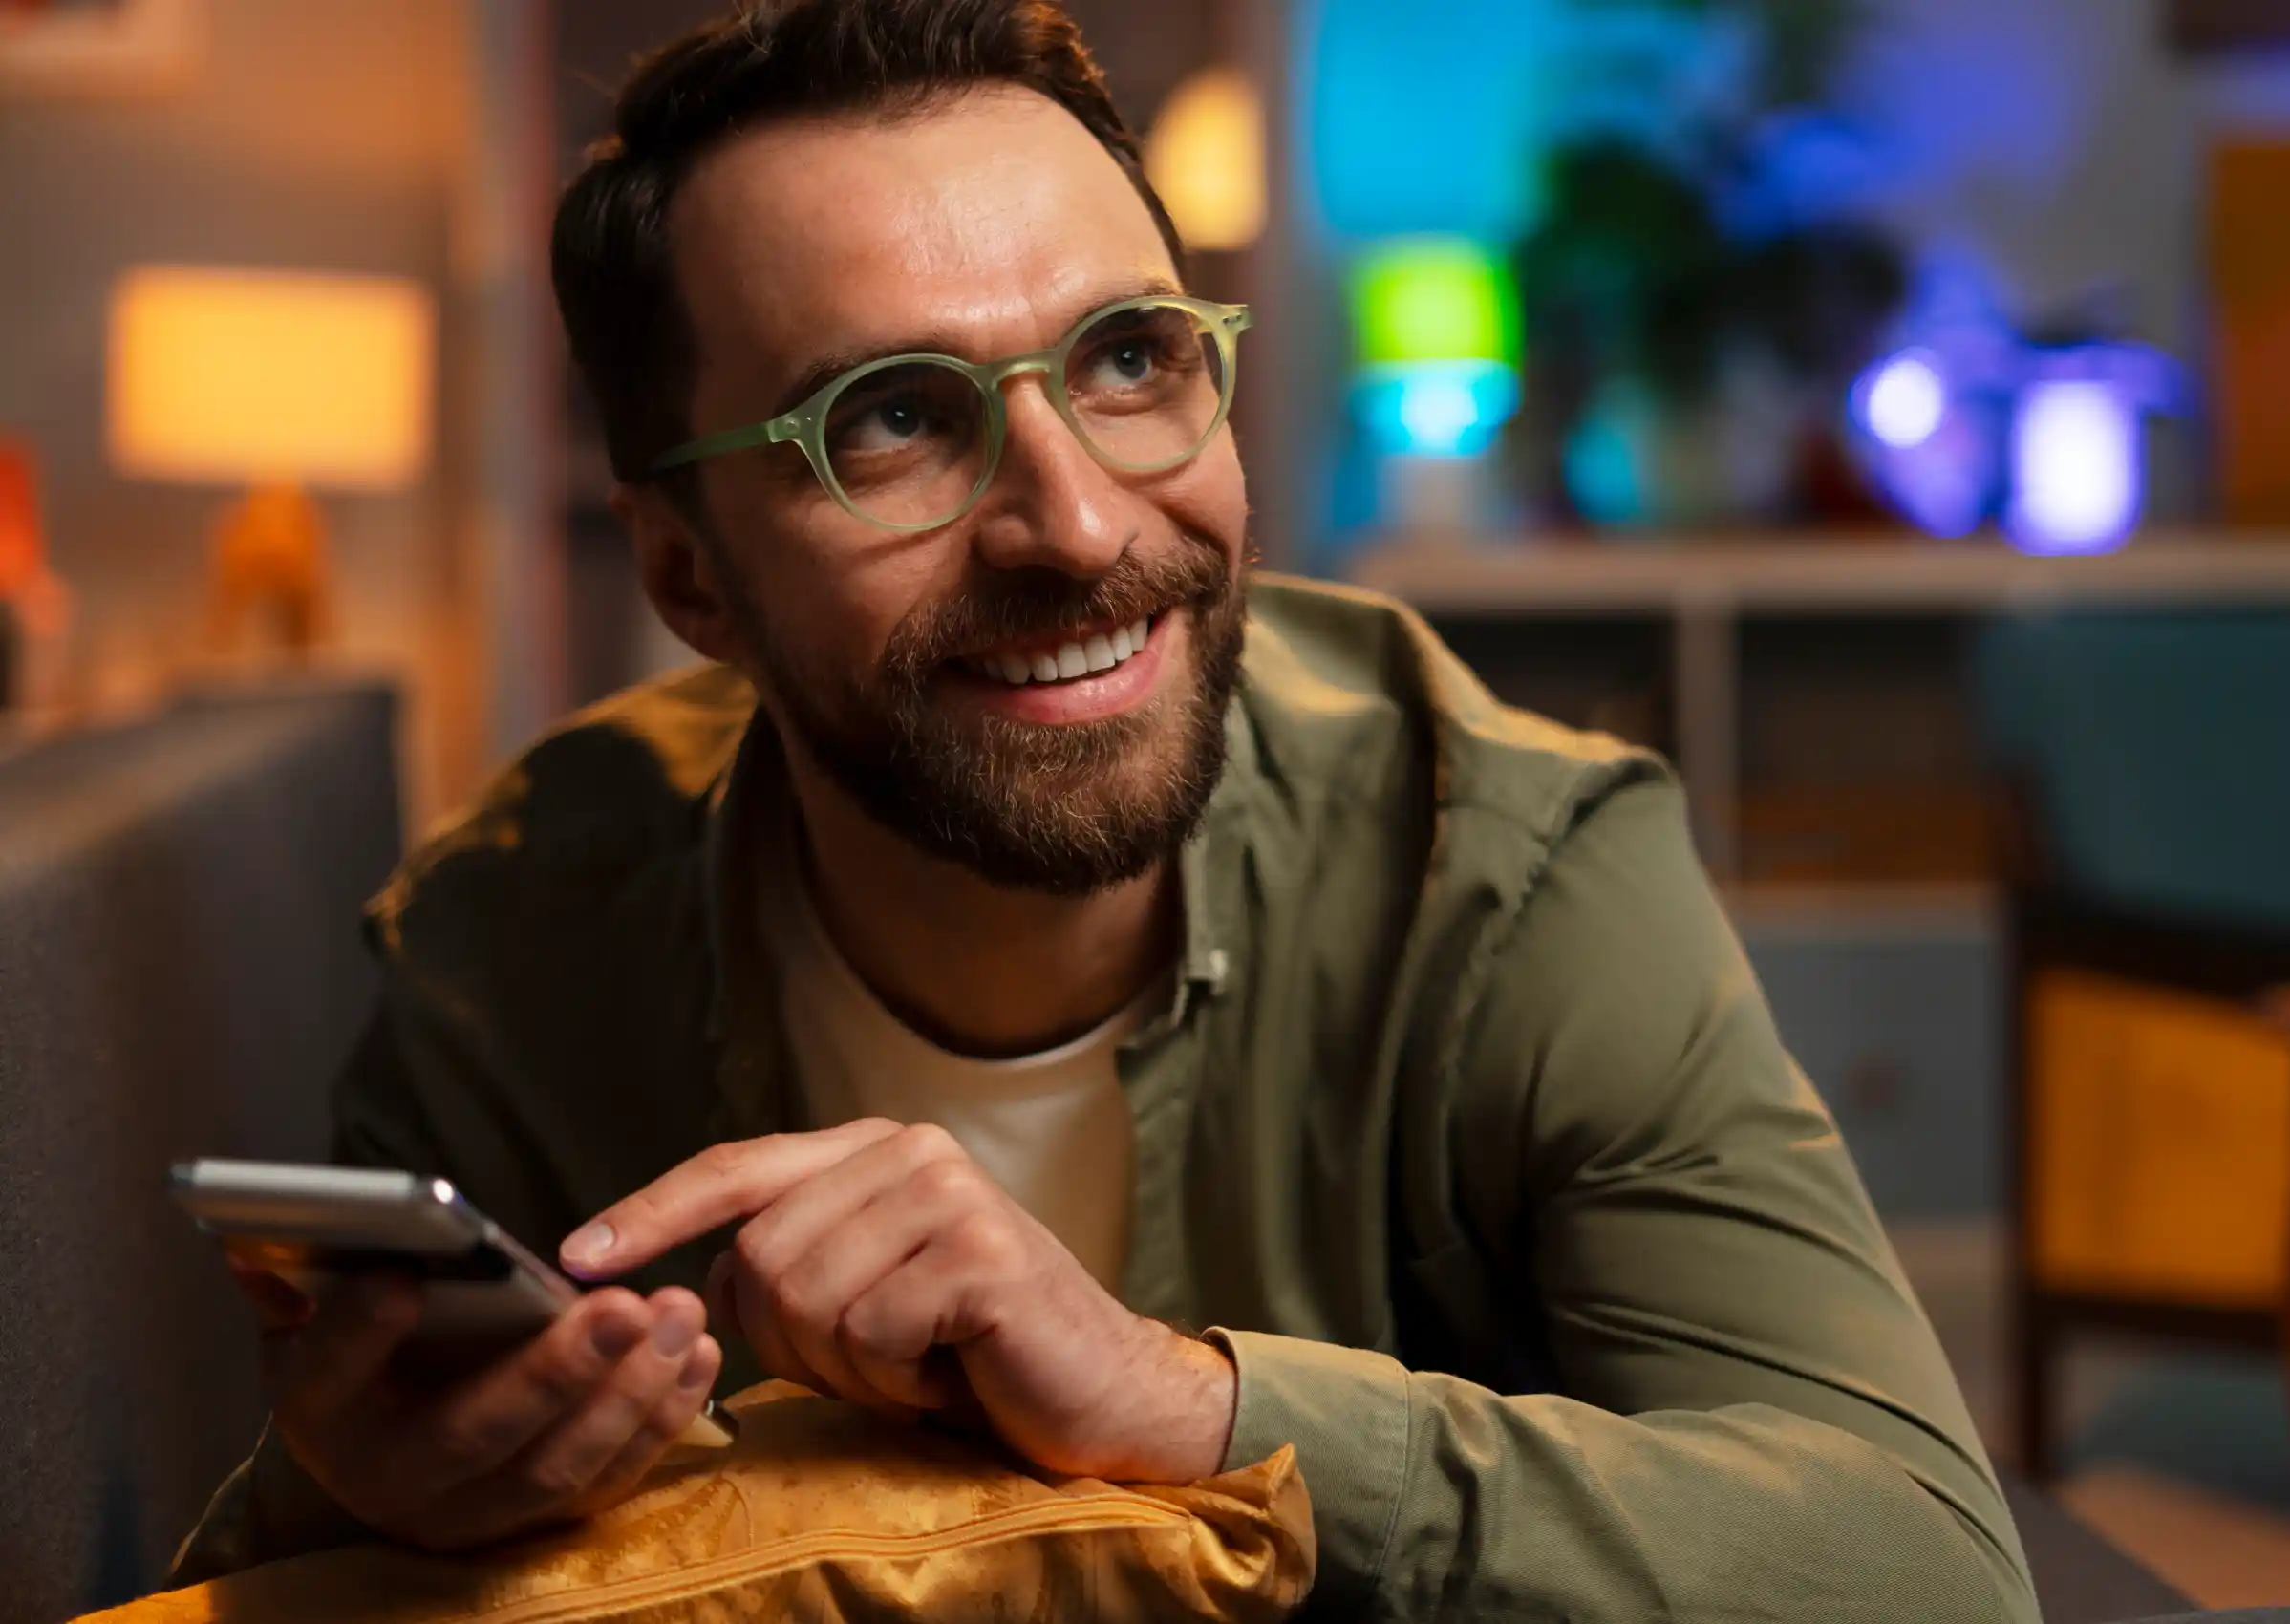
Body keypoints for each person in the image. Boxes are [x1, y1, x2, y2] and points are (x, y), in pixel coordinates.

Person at [173, 3, 2038, 1618]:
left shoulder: (1510, 864)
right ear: (689, 579)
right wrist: (357, 1495)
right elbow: (274, 1553)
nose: (1074, 526)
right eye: (890, 422)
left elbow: (1923, 1565)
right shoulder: (518, 940)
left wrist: (1195, 1405)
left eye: (1132, 359)